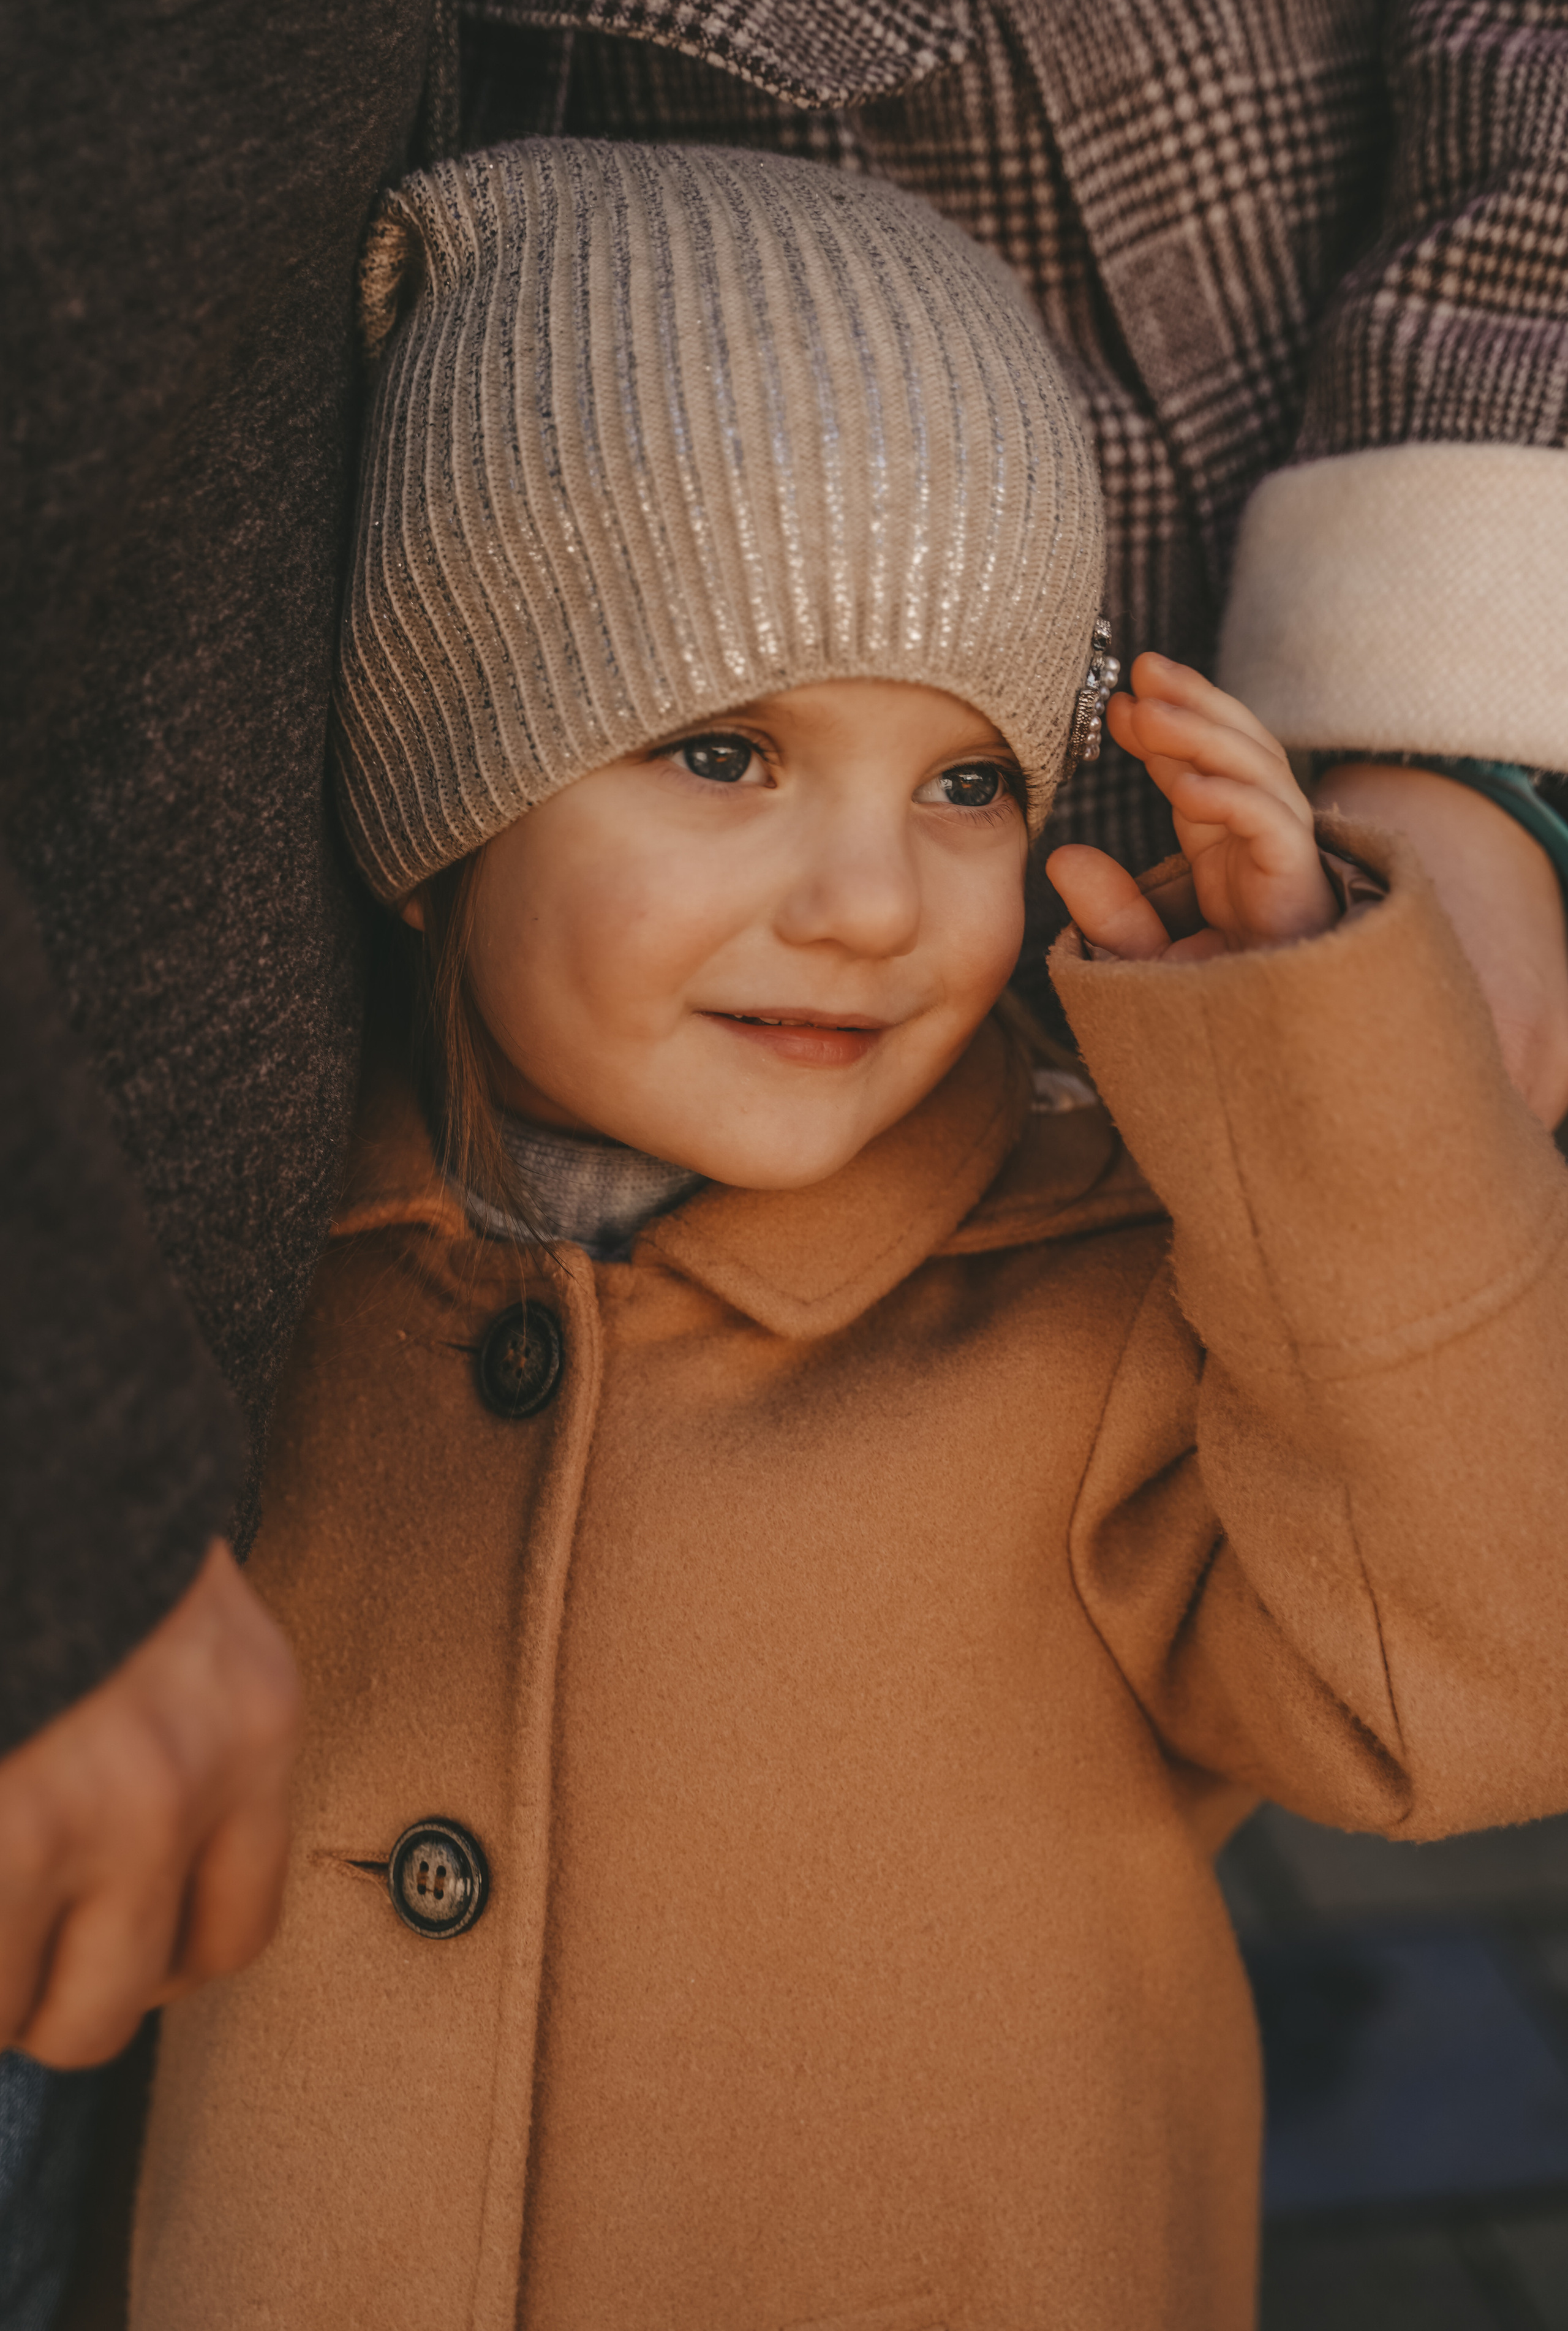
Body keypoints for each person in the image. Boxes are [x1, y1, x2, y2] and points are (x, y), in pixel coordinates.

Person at [123, 140, 1568, 2330]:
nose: (875, 903)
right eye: (724, 752)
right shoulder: (239, 1292)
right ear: (443, 787)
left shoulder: (1101, 1294)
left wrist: (1319, 1073)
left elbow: (1480, 1692)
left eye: (968, 781)